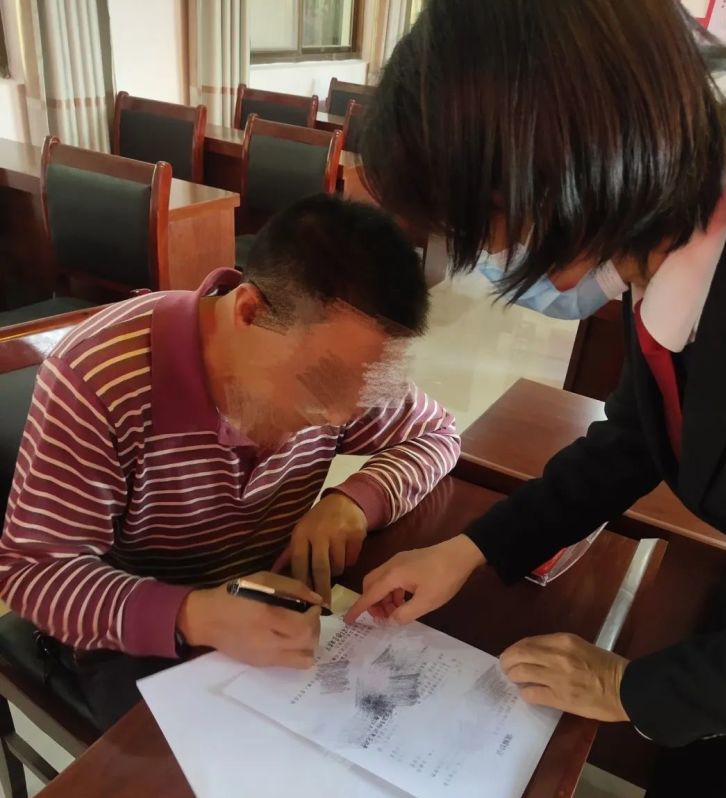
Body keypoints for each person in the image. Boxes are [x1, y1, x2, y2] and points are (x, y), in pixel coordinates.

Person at [347, 2, 726, 798]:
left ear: (562, 169)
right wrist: (471, 550)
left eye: (479, 223)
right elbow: (634, 437)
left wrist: (629, 688)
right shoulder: (670, 239)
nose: (486, 255)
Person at [0, 194, 459, 730]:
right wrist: (194, 614)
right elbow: (33, 572)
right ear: (248, 311)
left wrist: (354, 501)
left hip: (266, 600)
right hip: (134, 630)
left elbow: (438, 434)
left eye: (360, 395)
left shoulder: (350, 375)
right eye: (318, 385)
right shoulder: (99, 378)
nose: (336, 417)